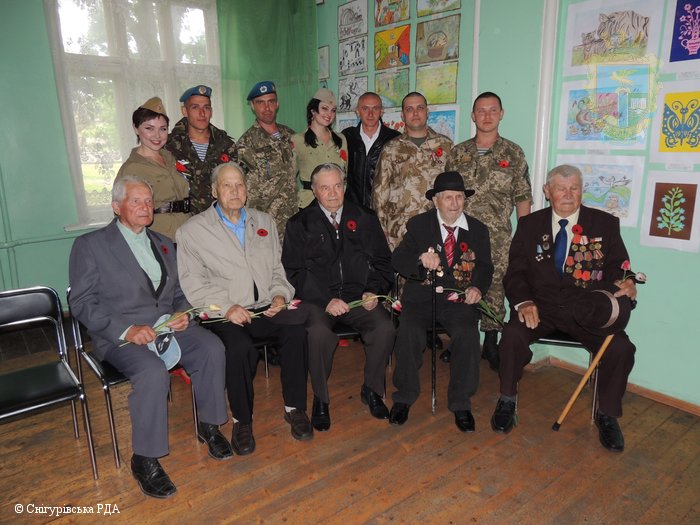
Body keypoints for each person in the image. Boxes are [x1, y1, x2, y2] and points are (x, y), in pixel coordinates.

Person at [69, 176, 231, 499]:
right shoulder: (91, 246)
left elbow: (180, 292)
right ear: (116, 207)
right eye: (136, 201)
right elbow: (82, 302)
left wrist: (183, 313)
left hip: (166, 328)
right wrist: (126, 330)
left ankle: (209, 425)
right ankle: (144, 458)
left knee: (211, 347)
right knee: (152, 371)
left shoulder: (164, 243)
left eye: (148, 201)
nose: (146, 207)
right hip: (121, 337)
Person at [491, 164, 638, 453]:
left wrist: (628, 281)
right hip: (540, 308)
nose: (568, 195)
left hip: (586, 310)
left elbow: (618, 267)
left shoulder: (604, 224)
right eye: (561, 188)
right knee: (511, 335)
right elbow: (515, 273)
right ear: (547, 191)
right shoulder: (529, 225)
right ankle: (507, 398)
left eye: (574, 188)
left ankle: (607, 414)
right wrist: (524, 302)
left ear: (582, 191)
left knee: (621, 348)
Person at [176, 162, 313, 455]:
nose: (235, 191)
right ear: (214, 191)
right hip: (221, 313)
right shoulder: (192, 231)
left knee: (296, 332)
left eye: (239, 185)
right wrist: (227, 308)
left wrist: (279, 296)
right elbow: (193, 285)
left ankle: (295, 408)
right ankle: (242, 421)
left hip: (264, 308)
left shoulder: (263, 221)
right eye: (227, 185)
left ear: (247, 190)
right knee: (239, 349)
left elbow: (277, 270)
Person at [282, 163, 395, 431]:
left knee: (385, 327)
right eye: (325, 188)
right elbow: (294, 271)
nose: (333, 193)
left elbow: (383, 261)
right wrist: (325, 300)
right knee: (318, 333)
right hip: (319, 301)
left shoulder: (365, 217)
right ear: (314, 190)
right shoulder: (299, 224)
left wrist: (374, 290)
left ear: (344, 186)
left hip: (358, 298)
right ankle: (320, 399)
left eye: (337, 186)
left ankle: (372, 389)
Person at [389, 172, 493, 431]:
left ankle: (461, 401)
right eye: (448, 198)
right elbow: (398, 260)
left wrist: (477, 288)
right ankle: (404, 396)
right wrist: (419, 259)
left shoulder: (478, 230)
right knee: (408, 331)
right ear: (436, 201)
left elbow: (484, 266)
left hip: (457, 298)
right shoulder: (419, 225)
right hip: (421, 297)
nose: (455, 204)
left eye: (459, 197)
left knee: (468, 333)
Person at [444, 91, 532, 369]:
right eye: (481, 110)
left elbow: (523, 197)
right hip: (461, 234)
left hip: (497, 236)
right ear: (473, 116)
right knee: (459, 282)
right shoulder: (458, 153)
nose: (487, 115)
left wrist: (524, 236)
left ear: (501, 114)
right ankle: (460, 340)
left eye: (493, 110)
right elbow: (445, 194)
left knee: (495, 286)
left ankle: (491, 342)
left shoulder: (513, 153)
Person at [372, 92, 453, 251]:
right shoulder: (391, 148)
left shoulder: (445, 146)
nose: (415, 113)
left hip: (437, 228)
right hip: (399, 232)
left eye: (420, 108)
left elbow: (454, 191)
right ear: (403, 115)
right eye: (409, 109)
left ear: (427, 112)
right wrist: (381, 230)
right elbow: (380, 193)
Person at [115, 97, 191, 241]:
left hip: (186, 233)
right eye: (149, 128)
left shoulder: (171, 158)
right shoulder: (131, 169)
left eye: (163, 129)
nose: (157, 135)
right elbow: (122, 213)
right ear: (136, 129)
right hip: (158, 238)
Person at [165, 85, 239, 214]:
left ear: (211, 111)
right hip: (183, 220)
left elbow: (237, 186)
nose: (202, 113)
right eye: (195, 107)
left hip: (221, 219)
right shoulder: (169, 146)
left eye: (206, 107)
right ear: (184, 111)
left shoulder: (226, 146)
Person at [237, 81, 297, 239]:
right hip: (265, 224)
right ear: (252, 106)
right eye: (260, 103)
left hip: (294, 221)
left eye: (271, 101)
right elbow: (242, 189)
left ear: (277, 104)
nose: (267, 107)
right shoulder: (246, 144)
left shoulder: (290, 136)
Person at [341, 92, 400, 208]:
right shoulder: (347, 136)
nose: (370, 114)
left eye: (375, 108)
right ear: (357, 111)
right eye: (365, 108)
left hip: (382, 209)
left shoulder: (394, 138)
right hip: (352, 208)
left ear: (382, 111)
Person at [292, 88, 348, 209]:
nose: (329, 114)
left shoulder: (341, 139)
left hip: (336, 203)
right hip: (309, 204)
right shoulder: (298, 140)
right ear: (313, 110)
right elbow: (289, 179)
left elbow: (345, 175)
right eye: (324, 108)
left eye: (333, 110)